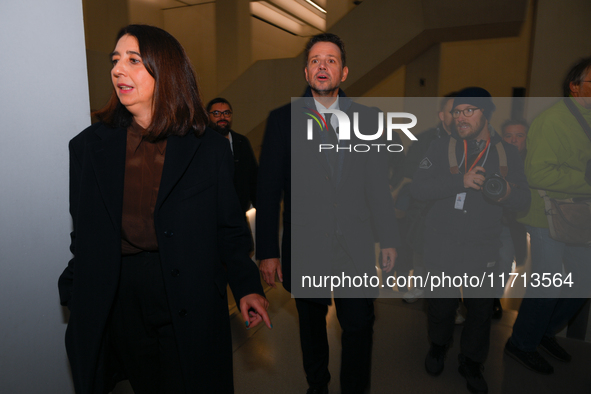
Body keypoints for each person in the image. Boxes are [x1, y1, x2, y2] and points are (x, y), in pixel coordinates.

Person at [58, 25, 271, 394]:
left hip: (188, 289)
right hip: (119, 294)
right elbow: (86, 230)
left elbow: (229, 229)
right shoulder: (89, 148)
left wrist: (247, 285)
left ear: (165, 71)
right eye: (115, 60)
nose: (117, 70)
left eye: (133, 60)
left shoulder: (208, 149)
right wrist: (80, 287)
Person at [256, 33, 399, 394]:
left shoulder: (369, 120)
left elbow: (377, 188)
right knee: (311, 326)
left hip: (355, 243)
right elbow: (269, 191)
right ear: (306, 72)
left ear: (344, 72)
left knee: (359, 326)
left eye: (331, 60)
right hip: (307, 246)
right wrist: (268, 251)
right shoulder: (281, 121)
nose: (323, 66)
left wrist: (389, 239)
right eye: (316, 60)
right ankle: (317, 385)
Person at [411, 87, 530, 394]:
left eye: (469, 111)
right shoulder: (439, 148)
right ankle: (438, 347)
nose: (460, 117)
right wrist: (458, 182)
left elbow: (524, 201)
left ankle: (472, 362)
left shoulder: (507, 153)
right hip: (441, 246)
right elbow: (418, 191)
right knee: (440, 307)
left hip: (483, 248)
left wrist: (505, 193)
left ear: (486, 114)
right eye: (457, 111)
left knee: (479, 312)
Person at [505, 57, 591, 375]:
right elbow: (537, 173)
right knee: (549, 282)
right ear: (574, 87)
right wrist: (586, 181)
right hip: (546, 214)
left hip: (577, 214)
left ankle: (542, 331)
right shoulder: (554, 119)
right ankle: (522, 343)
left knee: (584, 279)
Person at [400, 93, 457, 303]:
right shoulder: (426, 139)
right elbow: (409, 168)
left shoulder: (474, 140)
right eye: (453, 111)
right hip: (426, 208)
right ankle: (420, 287)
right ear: (442, 115)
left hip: (460, 211)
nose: (459, 116)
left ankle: (451, 303)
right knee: (421, 250)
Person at [494, 119, 529, 318]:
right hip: (491, 221)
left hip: (514, 224)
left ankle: (493, 300)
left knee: (505, 261)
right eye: (508, 135)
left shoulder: (533, 162)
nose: (513, 140)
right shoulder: (493, 156)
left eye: (519, 135)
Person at [206, 97, 258, 214]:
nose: (222, 117)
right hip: (211, 216)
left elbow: (253, 178)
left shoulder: (241, 142)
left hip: (238, 214)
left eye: (226, 113)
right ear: (207, 116)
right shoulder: (201, 144)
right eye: (216, 113)